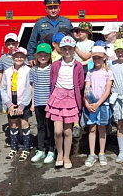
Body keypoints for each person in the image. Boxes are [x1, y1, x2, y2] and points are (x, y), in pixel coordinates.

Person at [45, 36, 84, 169]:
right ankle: (59, 154)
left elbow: (80, 84)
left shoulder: (78, 65)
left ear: (74, 50)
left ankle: (67, 156)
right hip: (57, 98)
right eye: (65, 49)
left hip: (71, 99)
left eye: (70, 49)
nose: (67, 51)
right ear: (61, 49)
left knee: (68, 131)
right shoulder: (56, 65)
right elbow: (52, 80)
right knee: (57, 131)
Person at [83, 46, 113, 167]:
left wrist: (98, 103)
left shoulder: (108, 72)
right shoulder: (90, 72)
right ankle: (91, 153)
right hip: (91, 104)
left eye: (99, 58)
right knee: (92, 128)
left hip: (103, 104)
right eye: (94, 58)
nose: (97, 60)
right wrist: (87, 103)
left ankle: (101, 152)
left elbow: (107, 90)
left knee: (102, 128)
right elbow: (86, 89)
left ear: (104, 57)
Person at [0, 47, 32, 162]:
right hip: (11, 102)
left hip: (23, 102)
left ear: (25, 57)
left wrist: (23, 105)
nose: (19, 58)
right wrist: (8, 104)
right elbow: (3, 88)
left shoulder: (28, 70)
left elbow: (29, 88)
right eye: (16, 56)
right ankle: (14, 147)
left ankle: (26, 147)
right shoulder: (7, 71)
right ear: (12, 57)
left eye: (21, 56)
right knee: (13, 124)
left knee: (24, 123)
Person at [29, 43, 56, 164]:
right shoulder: (34, 70)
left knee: (51, 127)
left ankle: (51, 150)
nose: (43, 57)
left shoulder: (52, 69)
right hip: (39, 102)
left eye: (45, 55)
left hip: (50, 103)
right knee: (40, 127)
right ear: (36, 56)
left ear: (49, 56)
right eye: (40, 55)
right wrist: (33, 103)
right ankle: (40, 150)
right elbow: (33, 87)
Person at [27, 0, 73, 65]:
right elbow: (32, 41)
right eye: (50, 8)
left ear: (59, 9)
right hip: (45, 58)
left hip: (63, 57)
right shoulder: (40, 23)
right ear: (46, 9)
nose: (53, 10)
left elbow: (73, 40)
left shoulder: (66, 22)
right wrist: (30, 57)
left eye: (55, 8)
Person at [0, 33, 19, 114]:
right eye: (8, 44)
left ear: (17, 43)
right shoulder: (3, 58)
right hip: (7, 85)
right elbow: (0, 71)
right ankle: (11, 122)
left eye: (13, 44)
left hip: (19, 85)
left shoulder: (21, 56)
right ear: (5, 45)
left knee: (18, 105)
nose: (11, 46)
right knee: (8, 106)